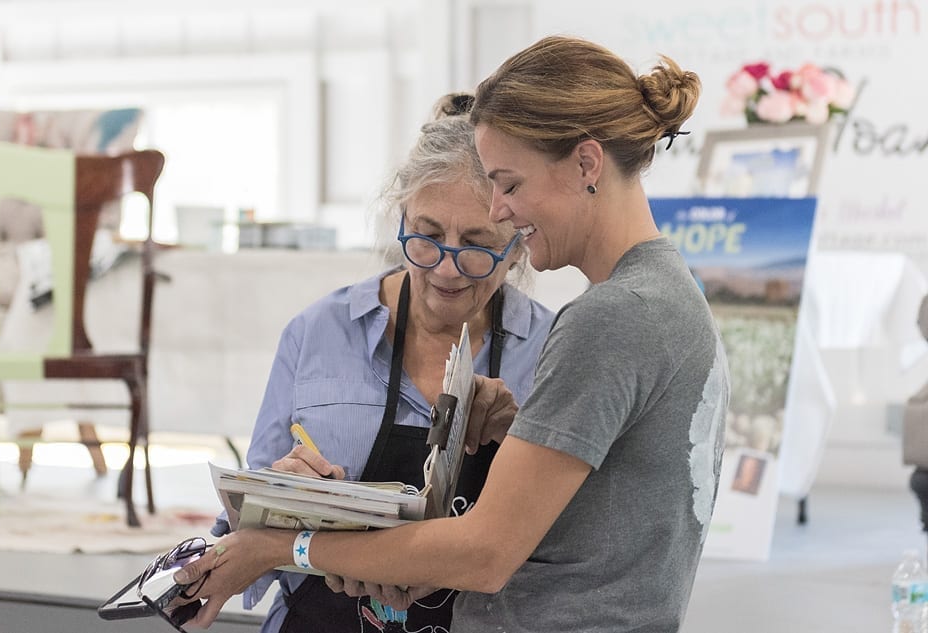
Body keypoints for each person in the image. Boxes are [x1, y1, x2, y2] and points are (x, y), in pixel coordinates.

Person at [175, 35, 729, 633]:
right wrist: (522, 428)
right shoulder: (672, 297)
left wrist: (289, 548)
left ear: (587, 164)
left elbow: (484, 554)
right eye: (429, 234)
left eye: (509, 185)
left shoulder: (611, 317)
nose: (499, 211)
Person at [211, 92, 554, 633]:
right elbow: (236, 529)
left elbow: (569, 546)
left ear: (517, 247)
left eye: (476, 243)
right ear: (401, 220)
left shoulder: (553, 351)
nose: (445, 267)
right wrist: (276, 494)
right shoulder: (319, 332)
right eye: (427, 235)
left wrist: (518, 434)